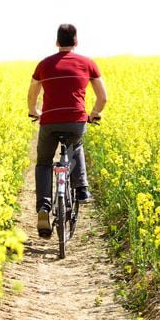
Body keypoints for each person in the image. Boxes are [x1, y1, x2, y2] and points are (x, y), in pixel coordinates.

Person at [27, 23, 108, 238]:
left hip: (50, 120)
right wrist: (94, 113)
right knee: (76, 144)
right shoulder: (88, 64)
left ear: (56, 42)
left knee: (44, 162)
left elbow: (32, 92)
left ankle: (44, 208)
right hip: (76, 120)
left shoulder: (44, 65)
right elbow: (103, 97)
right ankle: (81, 188)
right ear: (76, 42)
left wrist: (33, 111)